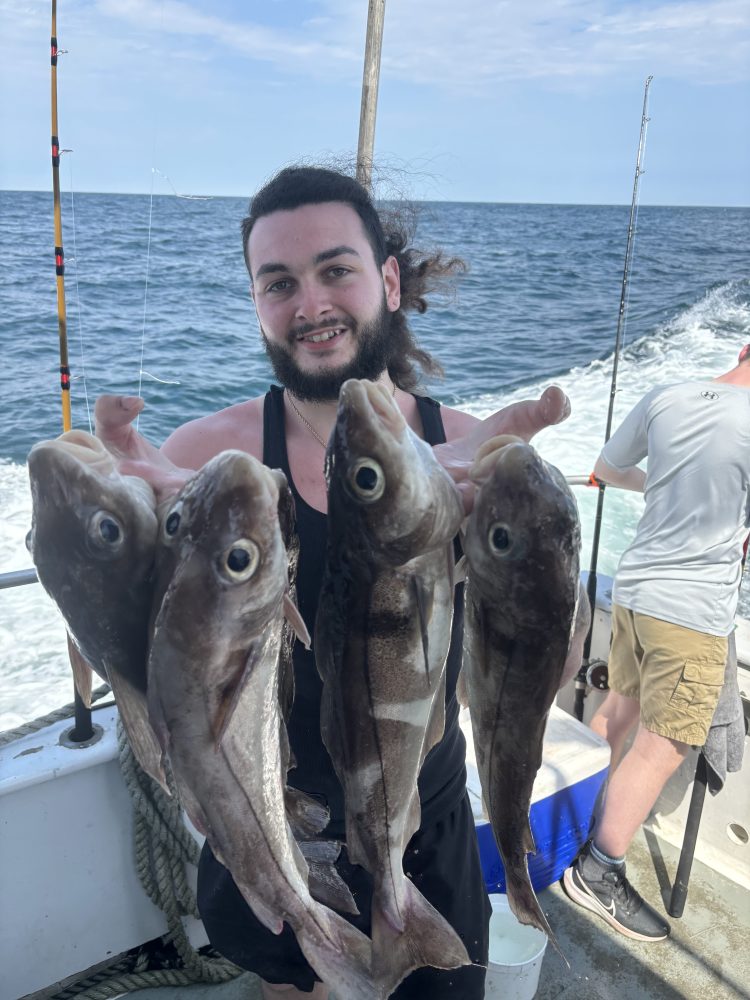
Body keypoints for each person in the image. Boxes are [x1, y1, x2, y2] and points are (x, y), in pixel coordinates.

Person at [96, 165, 570, 999]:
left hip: (424, 831)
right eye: (279, 282)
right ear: (255, 303)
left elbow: (540, 666)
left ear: (387, 279)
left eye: (335, 269)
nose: (309, 303)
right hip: (275, 828)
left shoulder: (477, 458)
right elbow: (144, 666)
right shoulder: (205, 462)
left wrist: (529, 556)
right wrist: (119, 546)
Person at [563, 345, 750, 943]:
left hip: (637, 589)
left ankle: (565, 825)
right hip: (690, 613)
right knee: (663, 745)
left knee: (617, 710)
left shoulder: (667, 395)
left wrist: (666, 488)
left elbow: (608, 469)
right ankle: (599, 871)